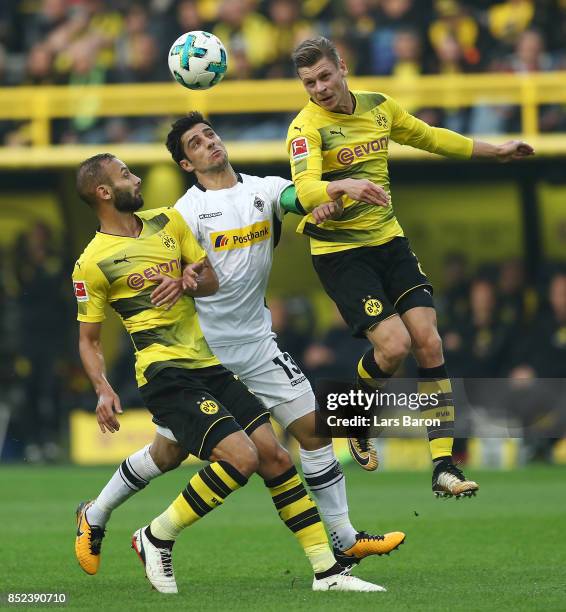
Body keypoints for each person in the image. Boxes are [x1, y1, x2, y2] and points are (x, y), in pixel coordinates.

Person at [74, 114, 405, 579]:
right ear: (186, 163)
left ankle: (345, 541)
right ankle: (100, 514)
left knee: (314, 430)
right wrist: (184, 278)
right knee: (170, 454)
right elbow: (181, 271)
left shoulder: (265, 190)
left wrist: (328, 198)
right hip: (205, 352)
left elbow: (296, 197)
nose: (209, 142)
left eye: (210, 134)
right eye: (196, 142)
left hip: (256, 343)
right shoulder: (183, 212)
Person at [286, 36, 534, 497]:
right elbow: (303, 187)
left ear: (342, 67)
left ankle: (444, 466)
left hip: (390, 243)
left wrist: (495, 151)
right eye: (309, 82)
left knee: (429, 341)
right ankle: (356, 423)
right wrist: (340, 189)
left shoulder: (380, 106)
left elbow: (432, 137)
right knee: (394, 346)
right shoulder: (305, 128)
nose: (319, 88)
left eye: (324, 76)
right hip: (341, 255)